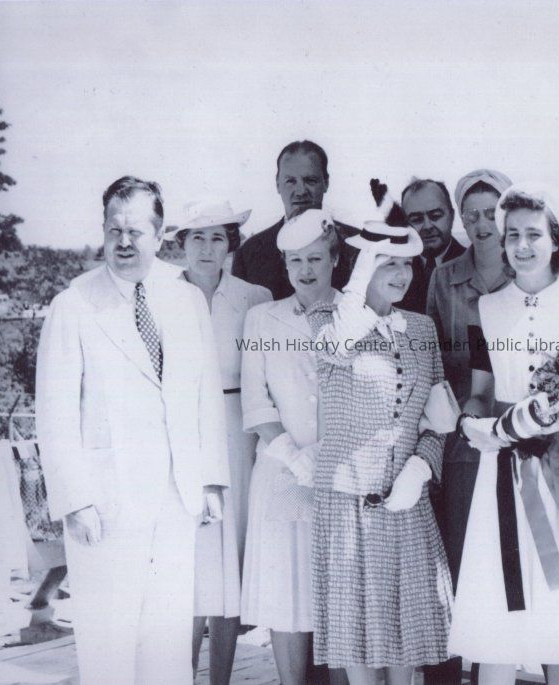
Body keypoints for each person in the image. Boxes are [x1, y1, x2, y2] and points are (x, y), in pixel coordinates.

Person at [35, 176, 230, 685]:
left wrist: (211, 479)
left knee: (167, 644)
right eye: (114, 230)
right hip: (105, 504)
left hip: (177, 498)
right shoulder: (74, 304)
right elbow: (54, 413)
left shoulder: (186, 299)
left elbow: (205, 394)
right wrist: (75, 500)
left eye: (136, 231)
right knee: (109, 645)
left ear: (160, 234)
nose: (123, 242)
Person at [449, 185, 559, 685]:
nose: (522, 246)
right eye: (512, 236)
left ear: (555, 240)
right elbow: (481, 392)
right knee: (499, 600)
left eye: (533, 234)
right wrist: (471, 422)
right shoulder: (485, 309)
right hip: (505, 466)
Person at [307, 221, 453, 685]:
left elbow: (438, 418)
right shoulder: (326, 319)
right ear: (361, 266)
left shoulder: (421, 327)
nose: (402, 274)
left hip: (406, 501)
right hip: (348, 501)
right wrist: (359, 281)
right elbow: (339, 346)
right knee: (356, 633)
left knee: (406, 631)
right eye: (387, 263)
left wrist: (420, 468)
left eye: (406, 264)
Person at [165, 198, 272, 684]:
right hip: (179, 434)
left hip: (237, 435)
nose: (207, 248)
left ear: (231, 243)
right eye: (197, 237)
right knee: (188, 566)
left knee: (230, 566)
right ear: (181, 243)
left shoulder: (254, 298)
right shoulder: (160, 296)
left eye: (217, 237)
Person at [240, 209, 346, 685]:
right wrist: (295, 457)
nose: (306, 270)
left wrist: (325, 457)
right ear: (283, 265)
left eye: (316, 258)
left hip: (342, 472)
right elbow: (255, 401)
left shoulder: (358, 314)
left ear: (335, 260)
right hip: (282, 469)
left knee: (340, 595)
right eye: (295, 261)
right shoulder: (262, 318)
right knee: (286, 596)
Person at [426, 169, 512, 584]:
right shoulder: (444, 278)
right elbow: (432, 358)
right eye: (471, 215)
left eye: (491, 213)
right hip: (464, 432)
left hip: (519, 424)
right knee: (464, 544)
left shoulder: (528, 271)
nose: (482, 224)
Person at [232, 140, 356, 299]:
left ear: (326, 183)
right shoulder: (249, 253)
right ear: (277, 184)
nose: (300, 191)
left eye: (310, 180)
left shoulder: (357, 247)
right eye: (290, 181)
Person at [399, 178, 465, 313]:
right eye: (416, 219)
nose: (427, 226)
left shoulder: (474, 264)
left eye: (435, 216)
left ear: (452, 216)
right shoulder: (394, 271)